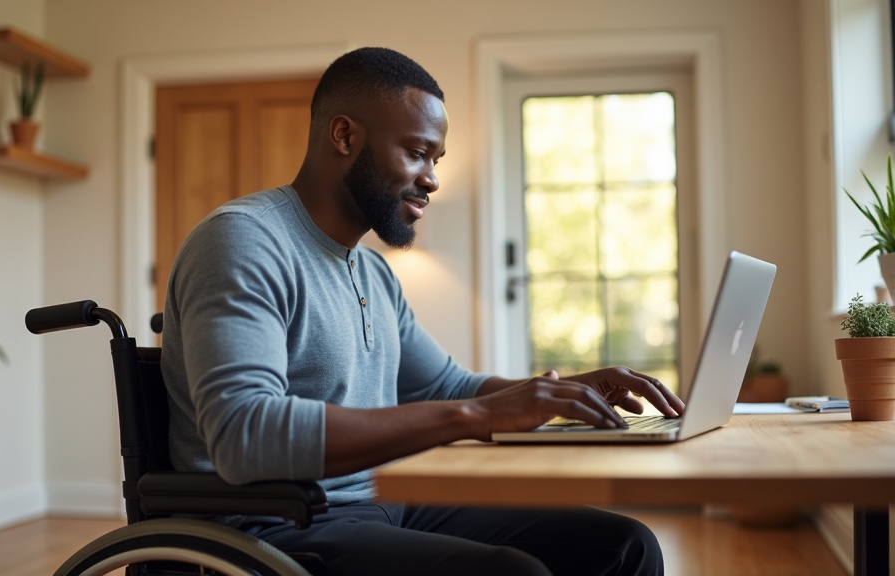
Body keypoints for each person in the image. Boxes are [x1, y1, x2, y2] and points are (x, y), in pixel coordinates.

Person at [161, 46, 687, 576]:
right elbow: (244, 436)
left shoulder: (372, 272)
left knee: (625, 546)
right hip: (277, 527)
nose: (432, 179)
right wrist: (477, 418)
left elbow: (450, 389)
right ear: (345, 136)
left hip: (387, 504)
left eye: (435, 160)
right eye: (417, 152)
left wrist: (560, 394)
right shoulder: (243, 240)